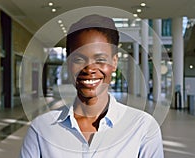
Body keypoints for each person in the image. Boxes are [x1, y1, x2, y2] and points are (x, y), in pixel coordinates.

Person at [20, 14, 164, 158]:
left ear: (114, 62)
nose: (89, 69)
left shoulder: (143, 127)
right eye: (78, 59)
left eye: (100, 59)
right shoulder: (40, 129)